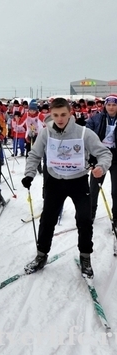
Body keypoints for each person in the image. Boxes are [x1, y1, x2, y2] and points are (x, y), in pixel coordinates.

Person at [22, 98, 112, 279]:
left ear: (70, 113)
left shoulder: (84, 133)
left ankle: (85, 257)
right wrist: (29, 174)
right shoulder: (46, 133)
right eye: (56, 115)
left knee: (85, 220)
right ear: (51, 115)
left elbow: (104, 153)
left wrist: (101, 167)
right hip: (54, 181)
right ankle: (41, 255)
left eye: (63, 114)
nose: (60, 118)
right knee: (47, 220)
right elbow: (34, 154)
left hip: (78, 181)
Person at [86, 94, 117, 225]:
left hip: (116, 156)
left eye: (114, 105)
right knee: (94, 187)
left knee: (116, 190)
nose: (111, 107)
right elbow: (87, 135)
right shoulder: (96, 118)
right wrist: (91, 157)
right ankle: (90, 213)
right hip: (100, 155)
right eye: (109, 104)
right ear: (105, 105)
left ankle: (116, 216)